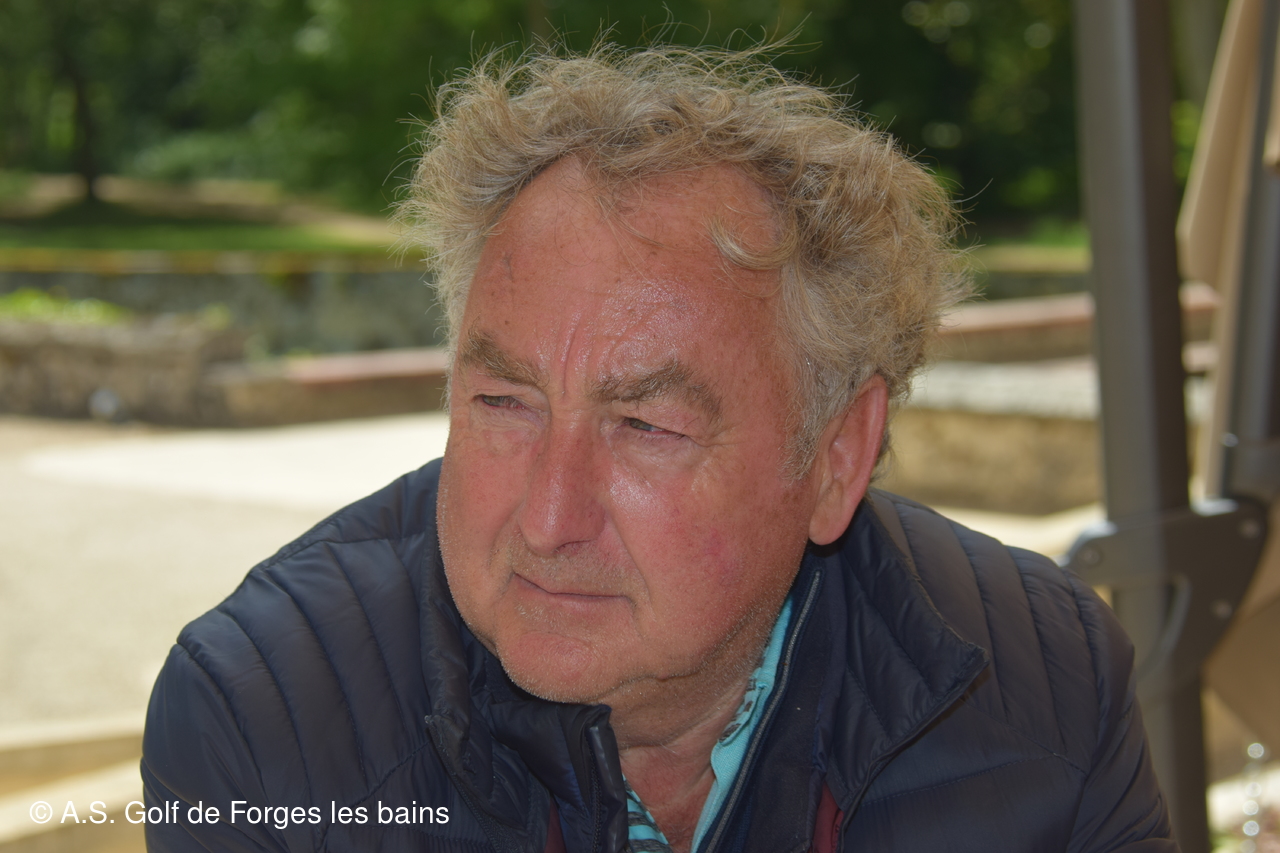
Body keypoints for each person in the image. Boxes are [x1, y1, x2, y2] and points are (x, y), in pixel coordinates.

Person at [141, 45, 1176, 852]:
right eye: (504, 401)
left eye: (645, 427)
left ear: (835, 457)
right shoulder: (267, 711)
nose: (548, 519)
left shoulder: (1047, 677)